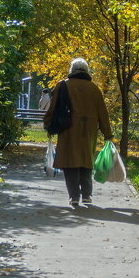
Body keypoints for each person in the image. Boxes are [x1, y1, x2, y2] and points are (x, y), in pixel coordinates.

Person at [43, 57, 112, 208]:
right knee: (86, 161)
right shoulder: (94, 88)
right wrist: (107, 133)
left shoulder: (63, 85)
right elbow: (103, 112)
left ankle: (74, 197)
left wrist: (49, 125)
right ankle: (87, 195)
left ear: (71, 70)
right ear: (86, 70)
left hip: (68, 129)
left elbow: (53, 107)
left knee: (70, 163)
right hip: (89, 130)